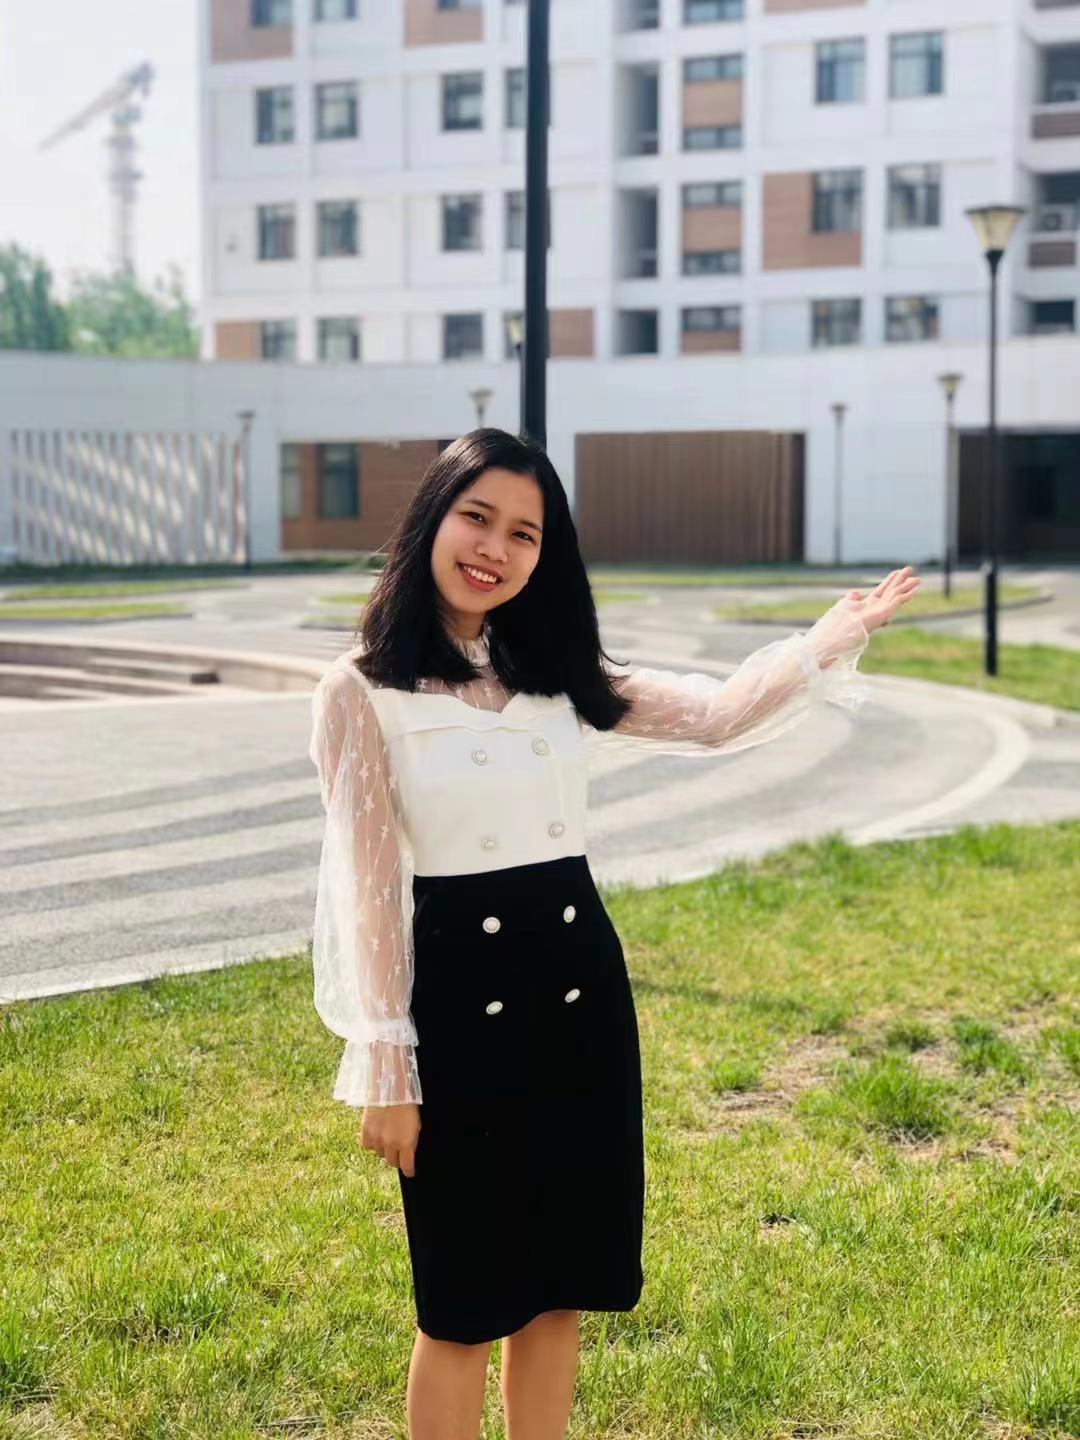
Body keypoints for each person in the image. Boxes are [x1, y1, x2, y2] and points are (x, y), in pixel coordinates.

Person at [307, 427, 920, 1440]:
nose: (495, 549)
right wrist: (387, 1067)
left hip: (579, 997)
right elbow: (367, 891)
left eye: (525, 534)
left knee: (560, 1286)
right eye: (477, 518)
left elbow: (715, 717)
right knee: (461, 1302)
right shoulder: (360, 688)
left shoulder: (552, 666)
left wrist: (827, 637)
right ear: (431, 519)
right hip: (460, 1007)